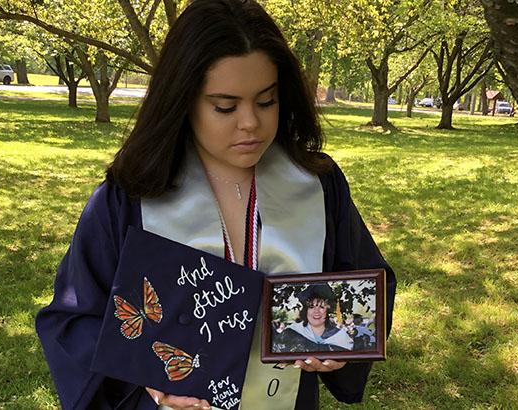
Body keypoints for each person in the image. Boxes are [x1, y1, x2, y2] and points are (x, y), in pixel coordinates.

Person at [35, 1, 397, 409]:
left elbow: (366, 287)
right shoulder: (131, 196)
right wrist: (145, 376)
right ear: (183, 101)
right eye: (225, 106)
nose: (250, 124)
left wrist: (342, 345)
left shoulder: (317, 184)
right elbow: (72, 320)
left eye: (266, 101)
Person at [274, 284, 353, 353]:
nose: (316, 311)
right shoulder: (291, 332)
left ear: (328, 309)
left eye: (321, 307)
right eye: (311, 307)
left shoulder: (340, 336)